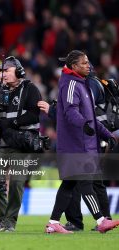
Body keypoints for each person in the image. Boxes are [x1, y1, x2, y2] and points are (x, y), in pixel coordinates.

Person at [44, 50, 119, 234]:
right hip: (74, 146)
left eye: (88, 62)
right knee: (86, 183)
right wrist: (84, 125)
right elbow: (71, 112)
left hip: (84, 144)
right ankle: (101, 220)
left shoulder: (82, 84)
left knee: (69, 185)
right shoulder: (70, 84)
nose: (88, 65)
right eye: (84, 63)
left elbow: (91, 119)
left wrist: (107, 134)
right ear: (74, 66)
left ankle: (53, 222)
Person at [0, 56, 42, 232]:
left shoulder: (30, 89)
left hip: (21, 144)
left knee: (16, 182)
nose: (3, 75)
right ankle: (5, 217)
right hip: (2, 144)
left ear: (18, 72)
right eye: (1, 71)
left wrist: (12, 124)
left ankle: (9, 221)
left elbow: (34, 115)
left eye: (7, 70)